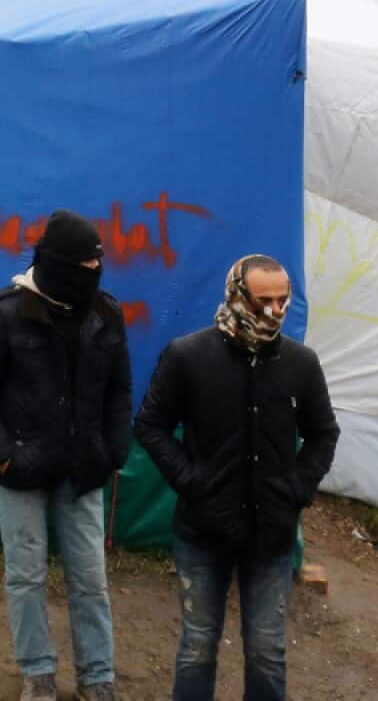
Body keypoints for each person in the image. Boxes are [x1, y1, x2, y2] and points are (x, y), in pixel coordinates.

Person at [133, 254, 340, 701]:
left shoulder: (300, 364)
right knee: (197, 647)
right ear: (236, 294)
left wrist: (296, 490)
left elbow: (324, 434)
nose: (275, 312)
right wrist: (192, 481)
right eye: (263, 300)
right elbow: (150, 425)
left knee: (267, 651)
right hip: (202, 533)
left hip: (271, 536)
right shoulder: (187, 356)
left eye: (283, 300)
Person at [0, 210, 132, 701]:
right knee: (26, 575)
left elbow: (120, 387)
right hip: (22, 468)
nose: (93, 269)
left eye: (97, 260)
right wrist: (2, 455)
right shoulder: (7, 311)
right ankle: (37, 674)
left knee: (90, 579)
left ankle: (97, 678)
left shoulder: (105, 311)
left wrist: (113, 449)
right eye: (83, 262)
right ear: (55, 263)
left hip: (83, 467)